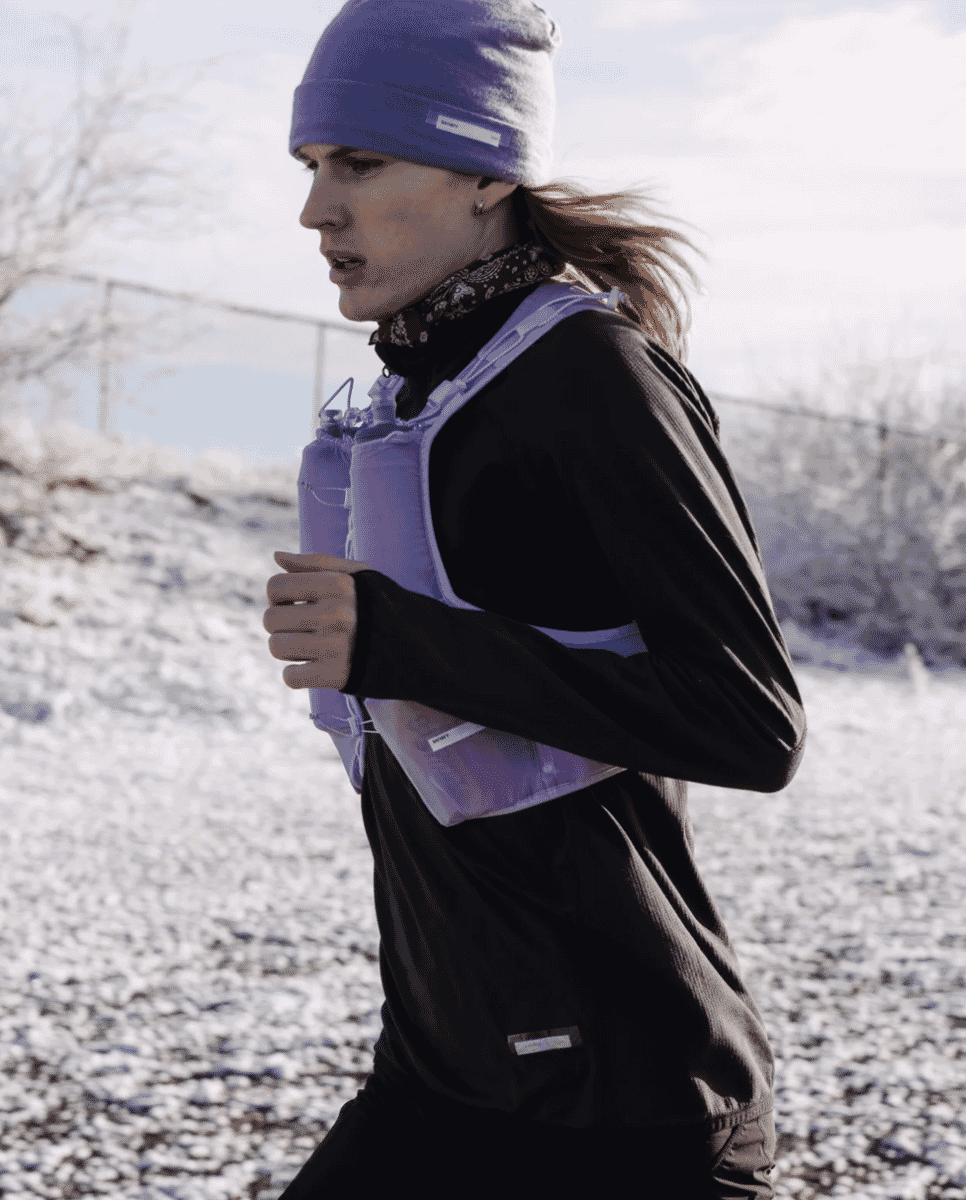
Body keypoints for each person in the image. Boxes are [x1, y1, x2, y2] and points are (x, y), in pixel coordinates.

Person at [262, 2, 806, 1196]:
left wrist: (403, 643)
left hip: (624, 1113)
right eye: (311, 167)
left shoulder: (593, 377)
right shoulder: (414, 396)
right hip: (440, 1078)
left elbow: (747, 720)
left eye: (360, 162)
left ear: (482, 174)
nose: (317, 210)